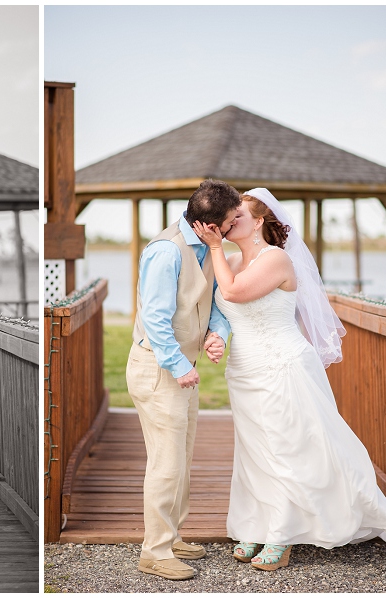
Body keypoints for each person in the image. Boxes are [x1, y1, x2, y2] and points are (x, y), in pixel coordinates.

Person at [192, 187, 386, 571]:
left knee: (285, 448)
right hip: (244, 369)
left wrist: (214, 247)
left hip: (282, 364)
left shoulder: (276, 259)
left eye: (239, 219)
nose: (230, 225)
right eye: (228, 219)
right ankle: (257, 523)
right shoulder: (230, 261)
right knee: (255, 451)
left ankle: (281, 536)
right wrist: (216, 336)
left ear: (260, 222)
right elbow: (228, 312)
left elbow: (232, 293)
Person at [126, 179, 241, 581]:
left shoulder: (211, 248)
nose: (233, 227)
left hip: (181, 368)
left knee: (182, 459)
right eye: (229, 222)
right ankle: (153, 553)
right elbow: (155, 320)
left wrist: (216, 335)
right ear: (209, 225)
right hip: (158, 370)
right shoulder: (165, 251)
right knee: (166, 464)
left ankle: (171, 536)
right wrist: (179, 365)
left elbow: (218, 304)